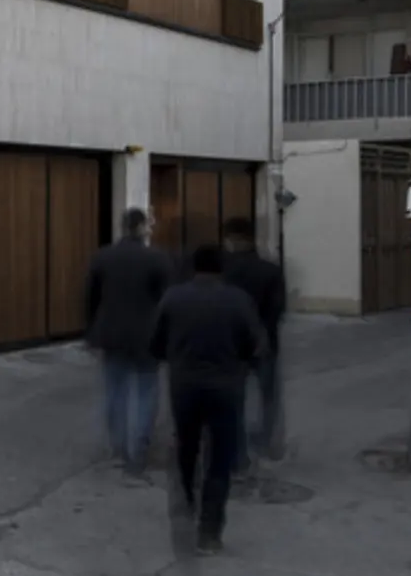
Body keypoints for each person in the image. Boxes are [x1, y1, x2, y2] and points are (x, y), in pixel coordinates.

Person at [150, 243, 264, 555]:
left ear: (192, 267)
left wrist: (174, 356)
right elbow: (256, 346)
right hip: (226, 387)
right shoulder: (238, 300)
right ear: (221, 268)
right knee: (220, 459)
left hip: (184, 384)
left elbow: (156, 343)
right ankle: (210, 532)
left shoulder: (174, 297)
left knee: (186, 446)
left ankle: (186, 500)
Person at [83, 207, 172, 476]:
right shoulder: (157, 259)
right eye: (149, 225)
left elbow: (90, 298)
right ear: (141, 227)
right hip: (147, 336)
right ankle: (138, 452)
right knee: (146, 392)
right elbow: (168, 302)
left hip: (111, 335)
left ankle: (118, 448)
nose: (151, 229)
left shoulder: (103, 256)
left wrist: (91, 333)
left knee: (115, 392)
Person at [223, 215, 285, 466]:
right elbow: (278, 310)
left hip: (230, 345)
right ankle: (266, 442)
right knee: (268, 396)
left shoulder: (222, 271)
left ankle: (236, 448)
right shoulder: (271, 270)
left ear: (230, 239)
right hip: (265, 342)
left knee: (233, 397)